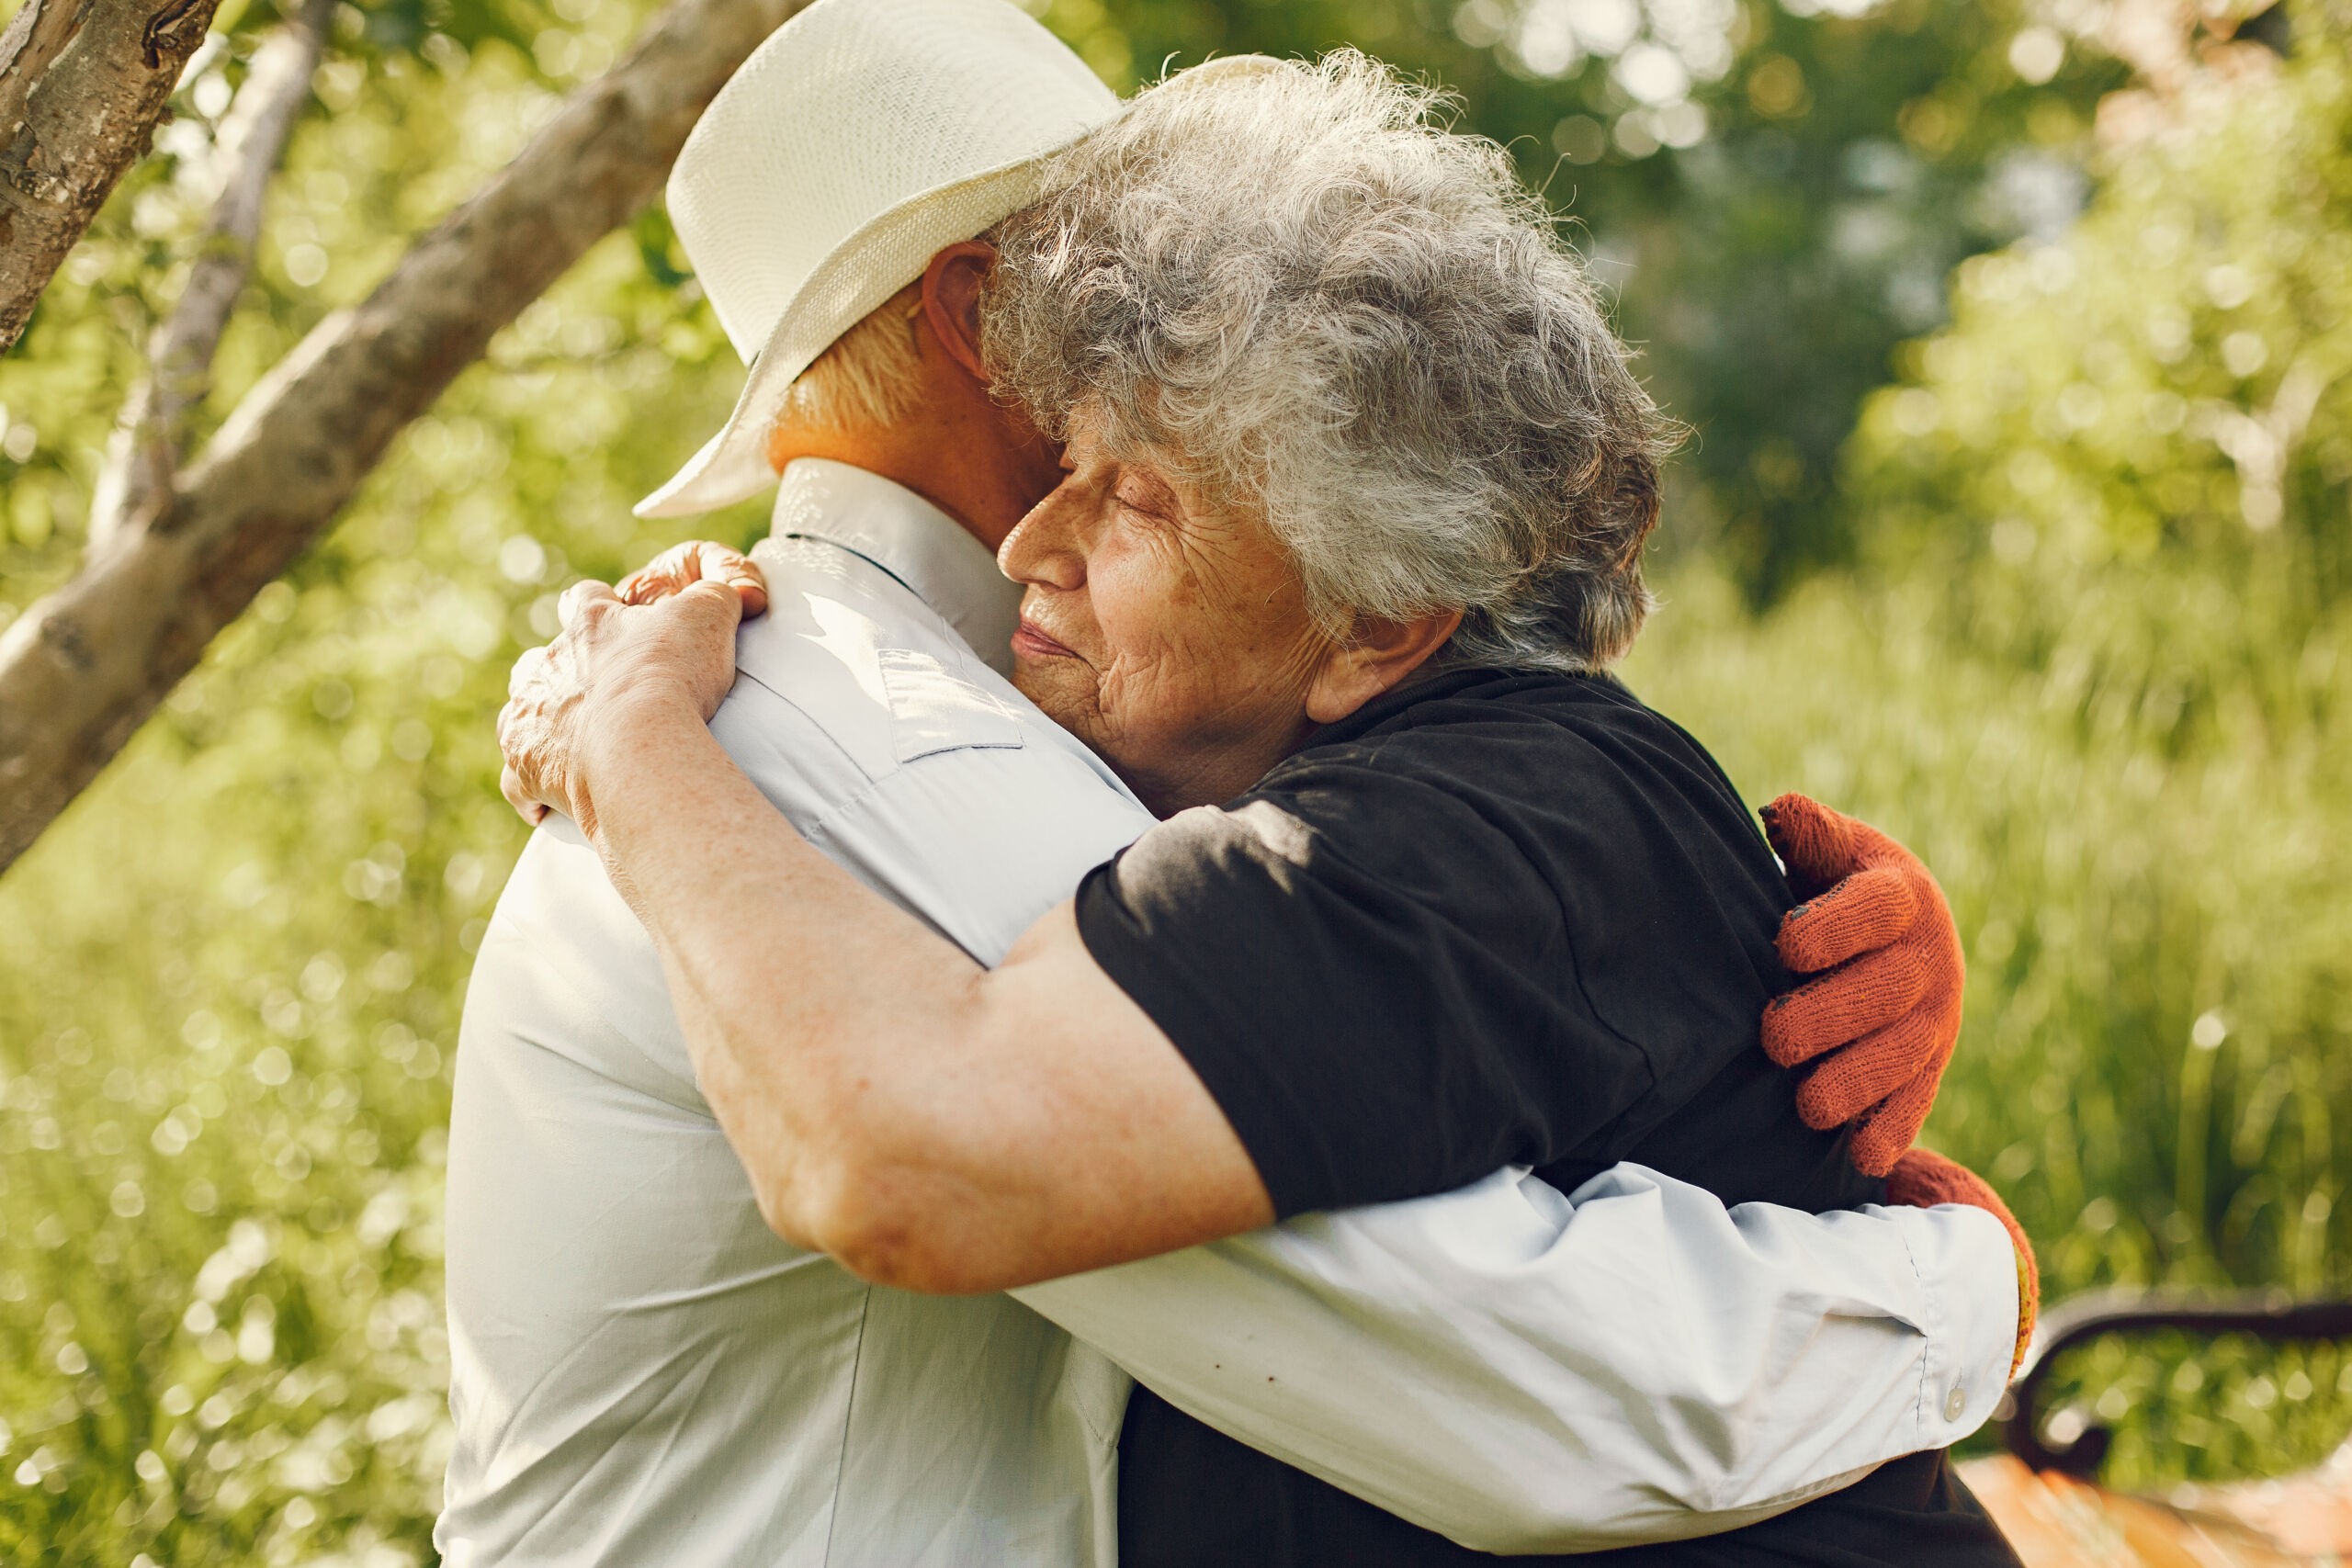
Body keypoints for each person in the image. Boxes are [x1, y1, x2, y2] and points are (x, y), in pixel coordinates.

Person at [455, 6, 2027, 1566]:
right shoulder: (890, 729)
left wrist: (1744, 972)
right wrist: (1962, 1280)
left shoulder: (1014, 709)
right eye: (1132, 246)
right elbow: (1550, 1391)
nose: (1188, 270)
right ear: (983, 306)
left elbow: (1477, 897)